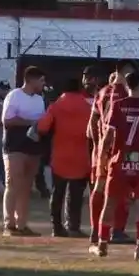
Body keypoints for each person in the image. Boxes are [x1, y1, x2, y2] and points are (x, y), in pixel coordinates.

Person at [93, 72, 139, 260]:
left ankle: (102, 244)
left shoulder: (118, 106)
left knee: (110, 202)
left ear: (127, 86)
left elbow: (108, 136)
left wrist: (102, 158)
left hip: (119, 162)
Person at [36, 76, 92, 237]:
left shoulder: (56, 107)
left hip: (60, 156)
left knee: (57, 192)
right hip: (81, 156)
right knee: (76, 195)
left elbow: (42, 127)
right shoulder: (87, 107)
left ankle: (57, 227)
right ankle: (73, 226)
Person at [87, 60, 134, 249]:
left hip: (102, 149)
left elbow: (91, 122)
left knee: (99, 186)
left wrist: (98, 146)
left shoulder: (102, 92)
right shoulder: (126, 94)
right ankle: (117, 230)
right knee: (123, 190)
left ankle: (95, 229)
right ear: (125, 72)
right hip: (123, 148)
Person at [1, 66, 47, 236]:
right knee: (13, 183)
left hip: (33, 147)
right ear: (31, 80)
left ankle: (22, 224)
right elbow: (7, 120)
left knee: (26, 186)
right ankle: (9, 224)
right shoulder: (14, 96)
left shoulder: (40, 99)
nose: (43, 84)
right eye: (41, 80)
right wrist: (31, 122)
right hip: (15, 146)